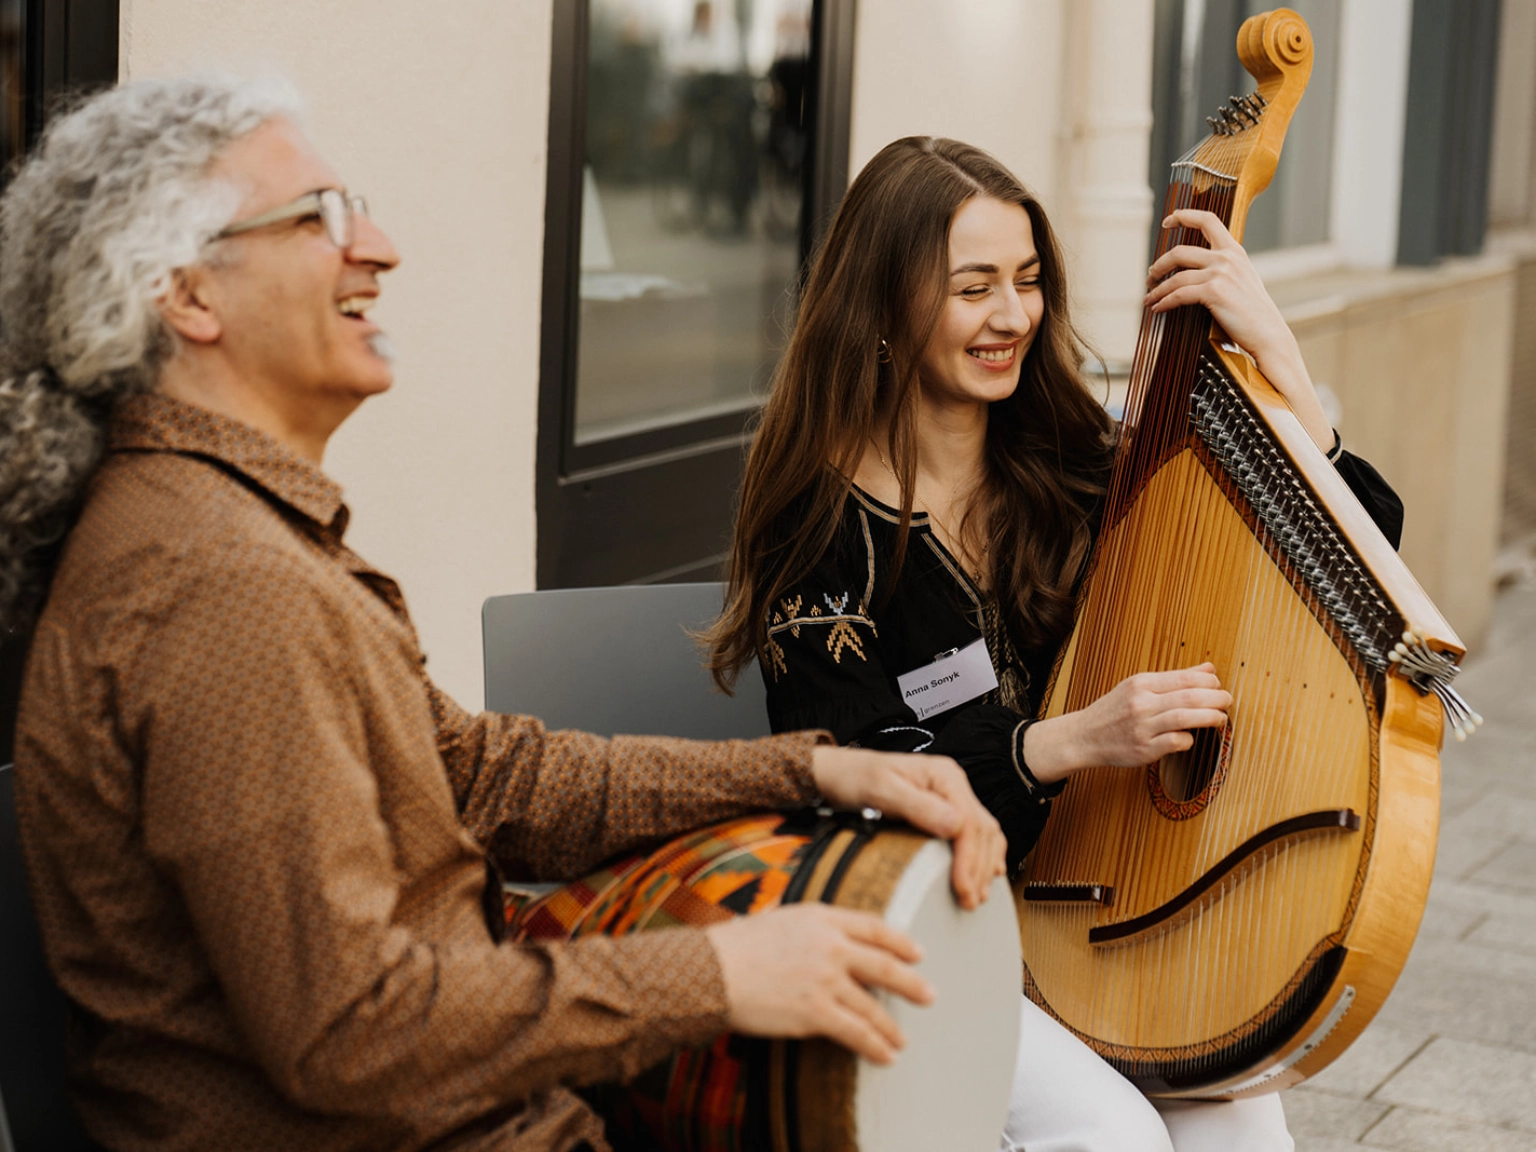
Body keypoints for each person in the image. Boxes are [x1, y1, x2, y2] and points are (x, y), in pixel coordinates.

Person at [0, 80, 1008, 1152]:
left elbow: (479, 777)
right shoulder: (219, 586)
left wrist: (814, 770)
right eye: (318, 217)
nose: (379, 249)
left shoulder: (230, 532)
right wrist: (717, 972)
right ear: (188, 295)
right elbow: (351, 1032)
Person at [707, 137, 1407, 1152]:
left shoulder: (1078, 462)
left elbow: (1357, 575)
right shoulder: (818, 523)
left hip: (1098, 903)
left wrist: (1282, 367)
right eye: (973, 287)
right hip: (928, 922)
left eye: (1028, 280)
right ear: (882, 304)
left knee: (1242, 1118)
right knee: (1112, 1135)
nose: (1012, 317)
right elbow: (848, 772)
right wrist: (1069, 741)